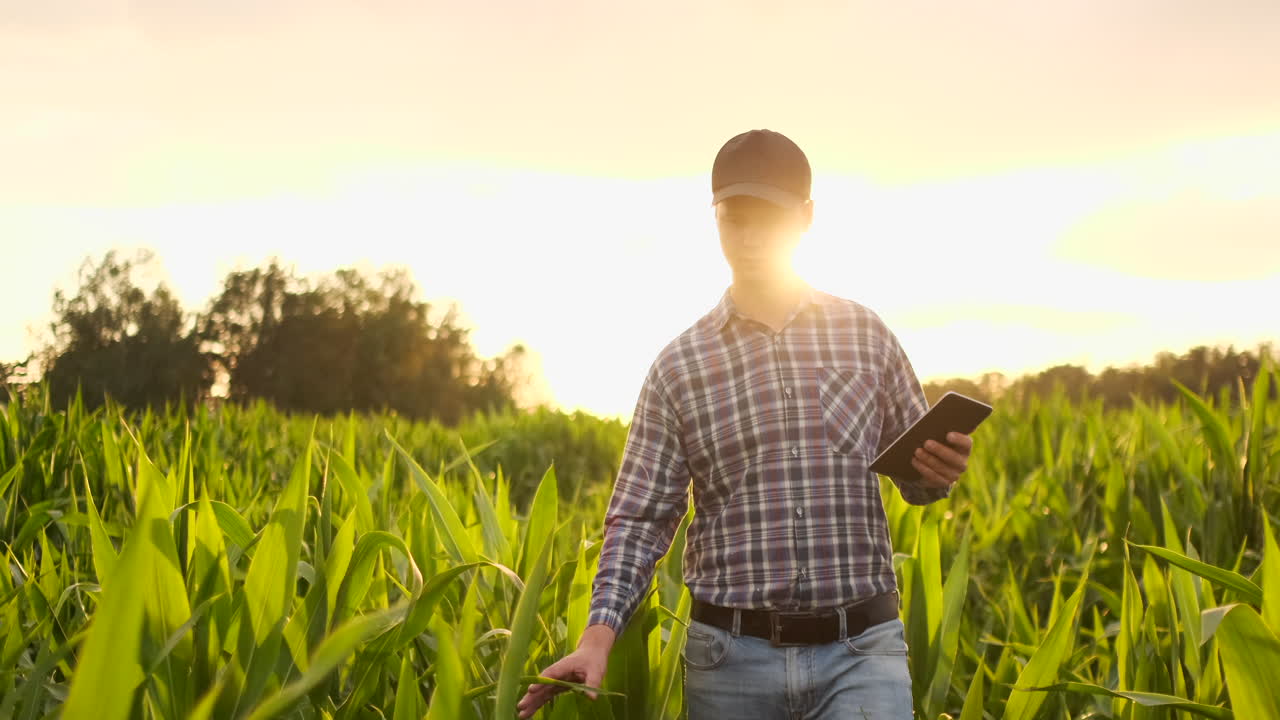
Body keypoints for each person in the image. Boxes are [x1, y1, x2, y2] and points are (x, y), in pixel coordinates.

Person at [516, 129, 973, 719]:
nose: (751, 236)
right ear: (715, 219)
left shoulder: (866, 335)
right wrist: (597, 636)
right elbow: (638, 518)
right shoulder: (679, 367)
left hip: (861, 652)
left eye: (770, 217)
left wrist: (939, 470)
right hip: (730, 662)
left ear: (806, 218)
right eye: (736, 217)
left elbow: (917, 478)